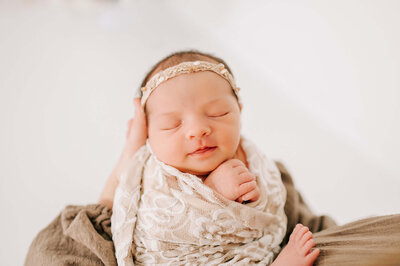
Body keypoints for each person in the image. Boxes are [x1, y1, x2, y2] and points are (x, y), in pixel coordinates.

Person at [99, 50, 320, 265]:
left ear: (239, 112)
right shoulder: (148, 173)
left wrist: (252, 198)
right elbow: (160, 226)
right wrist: (212, 195)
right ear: (148, 133)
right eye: (172, 124)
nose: (197, 130)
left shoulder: (255, 160)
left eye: (218, 113)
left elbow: (270, 212)